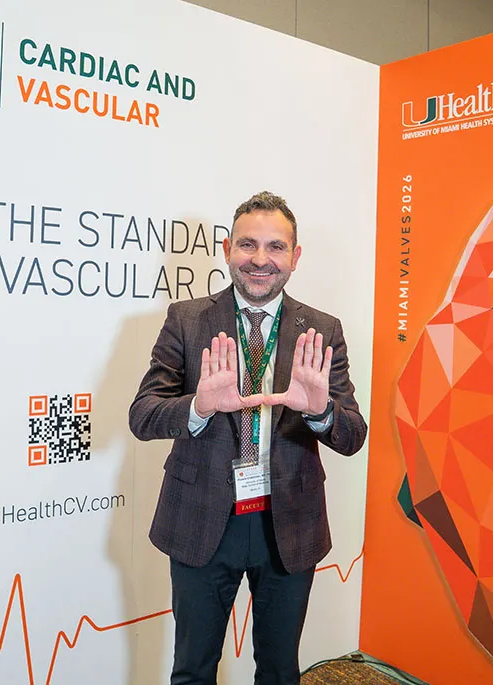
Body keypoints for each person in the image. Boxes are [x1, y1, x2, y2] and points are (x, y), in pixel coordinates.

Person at [128, 191, 368, 685]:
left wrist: (320, 411)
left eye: (276, 247)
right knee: (192, 670)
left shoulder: (322, 330)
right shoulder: (186, 320)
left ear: (295, 257)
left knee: (279, 672)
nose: (260, 260)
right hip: (201, 518)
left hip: (287, 525)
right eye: (248, 245)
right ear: (226, 250)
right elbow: (143, 415)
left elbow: (352, 435)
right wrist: (199, 406)